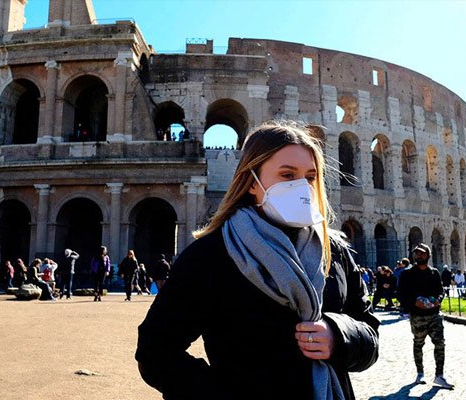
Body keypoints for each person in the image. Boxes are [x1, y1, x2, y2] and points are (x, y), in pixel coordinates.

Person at [135, 121, 379, 399]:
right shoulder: (211, 254)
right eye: (287, 175)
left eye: (310, 177)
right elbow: (156, 350)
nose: (302, 187)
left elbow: (369, 332)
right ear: (252, 182)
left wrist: (339, 335)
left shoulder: (333, 250)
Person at [399, 243, 453, 389]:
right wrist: (414, 303)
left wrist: (437, 300)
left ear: (428, 255)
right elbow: (401, 295)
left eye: (422, 253)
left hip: (434, 315)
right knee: (418, 344)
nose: (419, 256)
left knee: (440, 344)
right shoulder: (407, 274)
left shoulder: (434, 273)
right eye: (417, 253)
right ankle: (420, 373)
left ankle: (439, 375)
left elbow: (441, 291)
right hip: (417, 316)